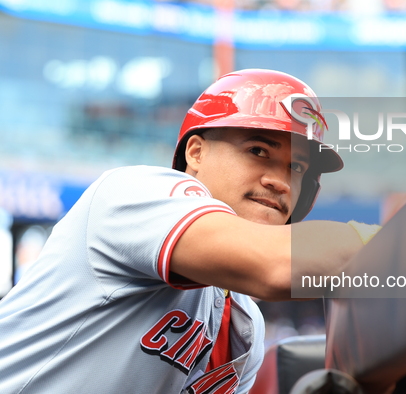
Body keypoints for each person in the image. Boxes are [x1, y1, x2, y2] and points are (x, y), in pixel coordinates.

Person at [0, 69, 375, 393]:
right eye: (259, 150)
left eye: (296, 168)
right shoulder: (136, 192)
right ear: (195, 153)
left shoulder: (245, 325)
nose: (280, 181)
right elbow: (276, 266)